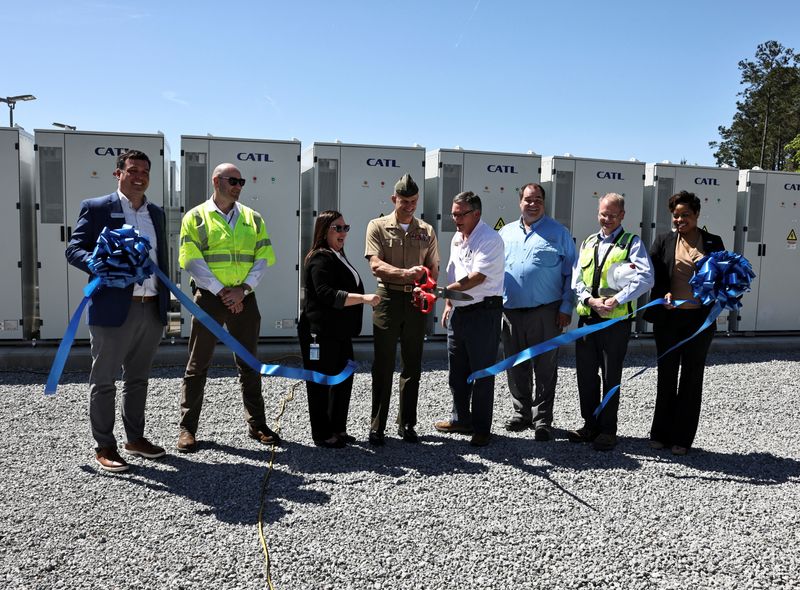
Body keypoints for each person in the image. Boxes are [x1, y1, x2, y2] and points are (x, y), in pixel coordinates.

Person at [65, 150, 169, 472]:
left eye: (145, 171)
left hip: (150, 306)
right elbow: (74, 248)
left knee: (138, 379)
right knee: (105, 380)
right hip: (112, 308)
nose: (139, 176)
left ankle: (135, 439)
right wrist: (95, 263)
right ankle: (105, 445)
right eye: (132, 170)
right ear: (118, 173)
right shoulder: (97, 208)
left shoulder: (157, 213)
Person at [177, 163, 278, 452]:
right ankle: (187, 430)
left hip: (244, 297)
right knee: (197, 366)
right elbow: (191, 260)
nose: (238, 186)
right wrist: (223, 292)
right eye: (232, 180)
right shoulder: (195, 217)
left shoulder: (253, 218)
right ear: (216, 181)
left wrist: (243, 290)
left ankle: (257, 424)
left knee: (249, 363)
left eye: (241, 181)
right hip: (211, 298)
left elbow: (263, 257)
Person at [569, 193, 654, 451]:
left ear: (623, 216)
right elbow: (577, 281)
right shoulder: (588, 242)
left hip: (614, 324)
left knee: (610, 376)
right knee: (585, 376)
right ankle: (590, 424)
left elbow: (646, 278)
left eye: (613, 215)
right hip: (588, 319)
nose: (607, 219)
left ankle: (608, 430)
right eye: (603, 214)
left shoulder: (632, 243)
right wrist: (589, 299)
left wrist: (617, 300)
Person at [643, 191, 724, 456]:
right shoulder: (664, 241)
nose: (680, 219)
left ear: (697, 215)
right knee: (666, 376)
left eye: (685, 215)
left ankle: (682, 438)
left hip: (699, 321)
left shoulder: (713, 242)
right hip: (668, 321)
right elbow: (651, 275)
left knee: (691, 378)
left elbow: (725, 278)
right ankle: (660, 434)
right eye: (676, 215)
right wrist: (661, 294)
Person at [364, 174, 439, 446]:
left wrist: (427, 286)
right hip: (388, 299)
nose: (410, 206)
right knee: (382, 364)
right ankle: (377, 426)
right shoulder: (378, 226)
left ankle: (407, 424)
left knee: (412, 365)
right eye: (404, 201)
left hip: (416, 302)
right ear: (394, 199)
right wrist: (406, 274)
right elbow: (376, 265)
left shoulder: (426, 230)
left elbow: (433, 267)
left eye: (414, 201)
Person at [498, 183, 576, 441]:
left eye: (538, 200)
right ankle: (522, 414)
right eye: (528, 199)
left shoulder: (559, 233)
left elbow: (571, 274)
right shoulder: (505, 233)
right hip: (510, 311)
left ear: (544, 202)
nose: (533, 204)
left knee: (545, 368)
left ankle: (542, 419)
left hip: (546, 311)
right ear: (520, 201)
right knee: (516, 365)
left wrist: (566, 307)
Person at [299, 211, 381, 447]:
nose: (343, 232)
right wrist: (364, 298)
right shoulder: (320, 258)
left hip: (339, 333)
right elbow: (327, 294)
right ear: (324, 230)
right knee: (321, 383)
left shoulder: (337, 255)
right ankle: (322, 434)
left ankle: (338, 428)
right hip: (320, 333)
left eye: (346, 227)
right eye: (338, 228)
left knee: (343, 378)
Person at [433, 191, 504, 447]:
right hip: (460, 312)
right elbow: (455, 269)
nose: (455, 219)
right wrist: (449, 303)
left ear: (476, 213)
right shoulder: (457, 238)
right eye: (453, 214)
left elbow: (477, 277)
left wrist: (444, 292)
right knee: (457, 371)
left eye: (460, 214)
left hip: (484, 313)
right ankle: (461, 418)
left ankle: (482, 428)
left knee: (482, 372)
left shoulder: (490, 239)